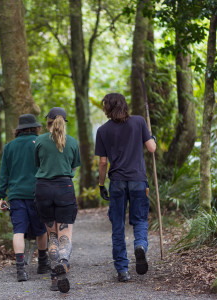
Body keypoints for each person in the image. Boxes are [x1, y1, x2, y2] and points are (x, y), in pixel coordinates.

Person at [95, 93, 156, 282]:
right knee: (139, 219)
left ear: (108, 108)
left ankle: (122, 269)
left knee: (118, 225)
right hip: (138, 179)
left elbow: (103, 163)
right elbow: (151, 148)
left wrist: (101, 184)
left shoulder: (103, 130)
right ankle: (140, 246)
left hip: (117, 182)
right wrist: (151, 137)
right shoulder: (138, 122)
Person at [0, 114, 50, 282]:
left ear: (18, 129)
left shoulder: (10, 147)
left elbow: (4, 173)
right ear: (35, 127)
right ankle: (42, 263)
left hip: (16, 195)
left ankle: (21, 269)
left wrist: (1, 195)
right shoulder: (42, 142)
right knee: (41, 230)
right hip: (38, 193)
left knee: (18, 231)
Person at [34, 107, 80, 293]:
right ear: (64, 122)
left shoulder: (39, 141)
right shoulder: (72, 142)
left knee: (51, 234)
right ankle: (63, 262)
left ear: (48, 122)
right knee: (64, 235)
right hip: (64, 188)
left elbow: (37, 165)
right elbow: (73, 168)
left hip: (43, 189)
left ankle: (55, 278)